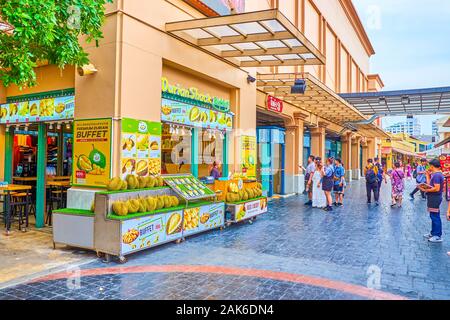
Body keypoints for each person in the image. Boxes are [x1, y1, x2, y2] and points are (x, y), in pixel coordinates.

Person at [419, 159, 445, 243]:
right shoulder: (436, 174)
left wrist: (425, 189)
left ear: (432, 166)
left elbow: (436, 188)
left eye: (429, 166)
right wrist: (427, 175)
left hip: (435, 198)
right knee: (433, 215)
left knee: (435, 216)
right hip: (434, 198)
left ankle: (437, 235)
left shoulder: (437, 175)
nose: (428, 167)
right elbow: (430, 185)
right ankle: (433, 233)